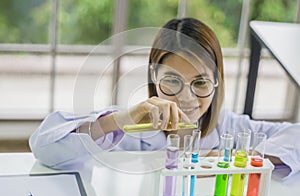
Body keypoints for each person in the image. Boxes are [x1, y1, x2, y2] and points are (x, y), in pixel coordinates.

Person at [29, 17, 300, 180]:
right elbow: (44, 147)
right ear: (153, 76)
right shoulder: (129, 128)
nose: (186, 98)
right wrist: (120, 120)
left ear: (217, 81)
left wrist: (237, 157)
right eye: (172, 81)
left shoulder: (231, 129)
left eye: (200, 82)